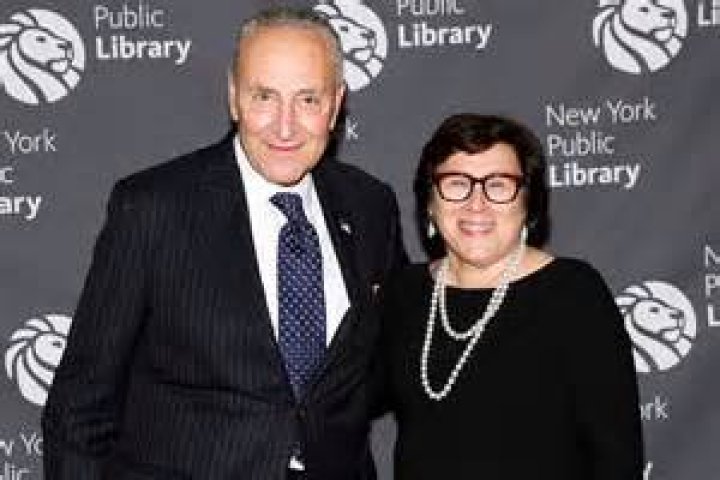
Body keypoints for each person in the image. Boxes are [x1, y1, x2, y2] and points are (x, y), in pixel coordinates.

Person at [42, 7, 406, 480]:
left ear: (335, 105)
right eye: (264, 97)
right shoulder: (153, 208)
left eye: (308, 99)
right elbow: (80, 405)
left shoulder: (369, 206)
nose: (285, 126)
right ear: (234, 96)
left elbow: (390, 364)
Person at [380, 114, 643, 479]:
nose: (476, 203)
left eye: (498, 185)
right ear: (429, 201)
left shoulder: (573, 295)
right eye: (456, 183)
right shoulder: (404, 293)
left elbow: (617, 459)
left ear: (528, 204)